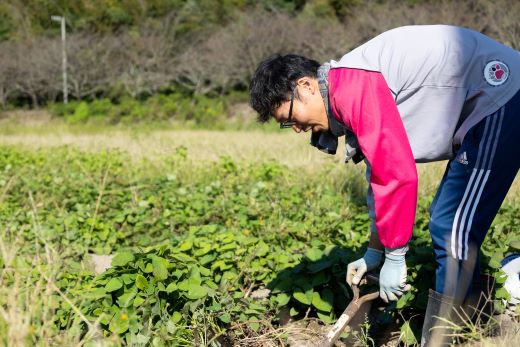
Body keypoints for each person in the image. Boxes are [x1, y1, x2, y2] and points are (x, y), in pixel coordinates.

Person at [249, 25, 520, 346]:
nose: (295, 129)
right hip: (480, 105)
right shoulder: (344, 89)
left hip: (500, 94)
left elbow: (396, 173)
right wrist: (376, 251)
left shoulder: (352, 88)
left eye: (289, 117)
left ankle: (446, 338)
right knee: (449, 224)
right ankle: (479, 314)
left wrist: (396, 256)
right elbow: (378, 178)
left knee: (453, 228)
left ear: (305, 86)